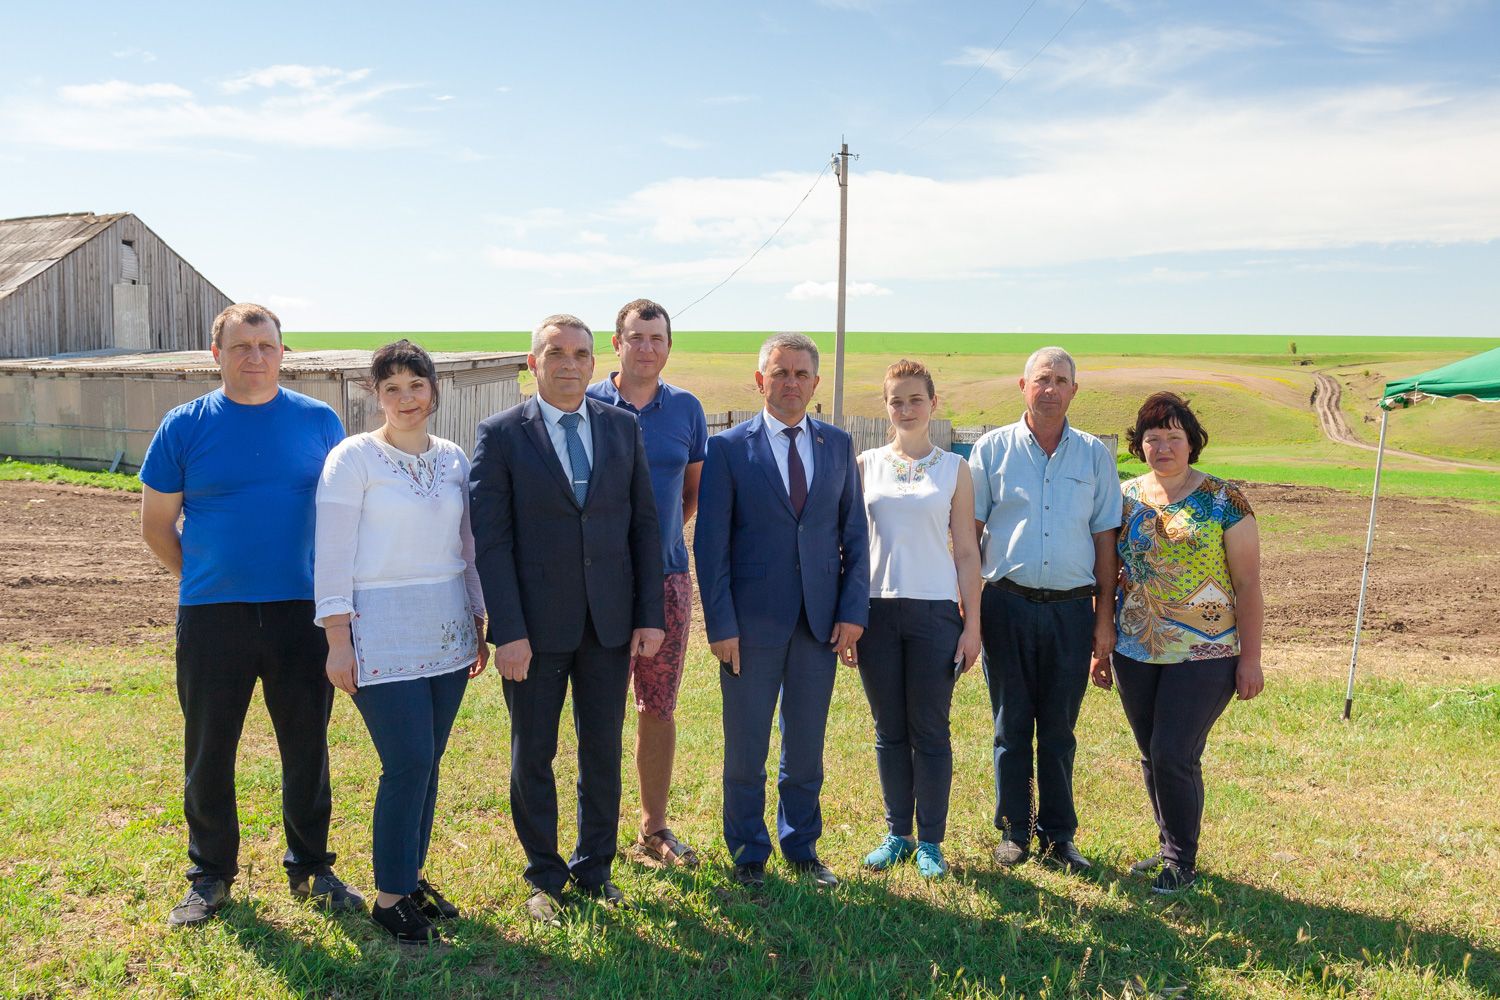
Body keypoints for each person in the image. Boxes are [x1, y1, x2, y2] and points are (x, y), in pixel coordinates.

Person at [140, 303, 365, 927]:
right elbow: (157, 527)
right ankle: (210, 874)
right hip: (214, 615)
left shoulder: (319, 422)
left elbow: (343, 516)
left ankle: (312, 866)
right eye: (241, 346)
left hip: (303, 613)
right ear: (217, 354)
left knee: (306, 744)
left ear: (283, 352)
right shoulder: (184, 426)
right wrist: (205, 578)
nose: (255, 356)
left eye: (266, 344)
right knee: (210, 747)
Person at [469, 314, 665, 923]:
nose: (569, 364)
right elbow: (490, 542)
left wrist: (648, 616)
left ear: (591, 361)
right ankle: (544, 874)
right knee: (535, 752)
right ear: (534, 363)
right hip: (534, 629)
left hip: (608, 625)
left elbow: (643, 525)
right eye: (555, 353)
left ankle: (594, 867)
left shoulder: (621, 427)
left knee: (602, 748)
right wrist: (509, 630)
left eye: (580, 354)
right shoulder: (501, 434)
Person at [313, 340, 489, 944]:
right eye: (393, 388)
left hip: (447, 623)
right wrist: (339, 639)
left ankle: (411, 879)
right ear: (376, 395)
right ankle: (389, 897)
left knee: (429, 761)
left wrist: (479, 618)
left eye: (417, 385)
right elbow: (331, 555)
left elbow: (467, 548)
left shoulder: (454, 459)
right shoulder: (352, 459)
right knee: (407, 760)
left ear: (434, 391)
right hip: (376, 625)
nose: (407, 398)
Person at [694, 332, 869, 891]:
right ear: (759, 379)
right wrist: (720, 624)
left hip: (819, 624)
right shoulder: (727, 450)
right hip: (749, 627)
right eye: (780, 372)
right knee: (746, 747)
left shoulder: (838, 446)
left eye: (800, 374)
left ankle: (801, 845)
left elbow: (853, 536)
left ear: (815, 384)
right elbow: (710, 545)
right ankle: (748, 853)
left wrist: (852, 612)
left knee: (806, 747)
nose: (790, 382)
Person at [1091, 391, 1264, 895]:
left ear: (1192, 444)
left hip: (1206, 651)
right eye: (1152, 439)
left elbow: (1248, 584)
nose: (1163, 447)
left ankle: (1181, 861)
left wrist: (1251, 659)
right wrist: (1100, 646)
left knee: (1173, 750)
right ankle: (1171, 843)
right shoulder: (1123, 498)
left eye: (1173, 437)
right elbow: (1108, 575)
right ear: (1138, 446)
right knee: (1152, 751)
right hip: (1136, 648)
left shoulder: (1223, 500)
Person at [969, 346, 1121, 873]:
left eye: (1061, 380)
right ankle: (1013, 831)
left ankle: (1059, 836)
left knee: (1058, 728)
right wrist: (970, 613)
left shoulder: (1095, 456)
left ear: (1075, 390)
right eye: (1041, 379)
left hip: (1071, 612)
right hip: (1005, 604)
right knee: (1011, 725)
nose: (1050, 388)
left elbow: (1106, 541)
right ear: (1023, 386)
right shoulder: (991, 451)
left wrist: (1104, 619)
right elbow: (970, 536)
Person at [586, 299, 708, 869]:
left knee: (657, 706)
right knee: (599, 708)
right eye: (636, 337)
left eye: (657, 339)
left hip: (666, 582)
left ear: (668, 347)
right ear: (617, 343)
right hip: (598, 584)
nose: (647, 349)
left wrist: (653, 542)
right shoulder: (583, 405)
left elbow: (691, 494)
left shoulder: (686, 409)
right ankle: (596, 833)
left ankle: (653, 827)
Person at [854, 360, 983, 879]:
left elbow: (968, 553)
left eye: (915, 399)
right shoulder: (865, 464)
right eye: (896, 400)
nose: (906, 409)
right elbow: (852, 547)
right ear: (886, 407)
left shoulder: (954, 469)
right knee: (888, 729)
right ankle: (897, 834)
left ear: (933, 403)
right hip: (876, 610)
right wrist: (849, 617)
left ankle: (930, 840)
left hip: (935, 614)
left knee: (930, 729)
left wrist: (972, 626)